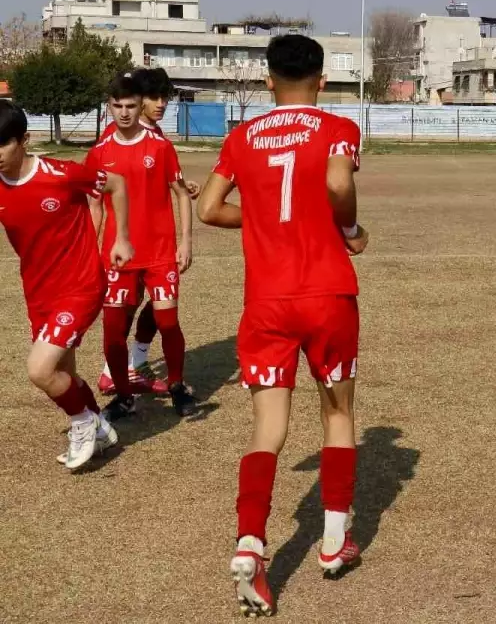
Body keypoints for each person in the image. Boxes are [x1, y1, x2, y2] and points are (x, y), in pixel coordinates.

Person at [197, 34, 369, 617]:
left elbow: (207, 209)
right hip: (325, 293)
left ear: (268, 80)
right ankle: (332, 541)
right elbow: (339, 184)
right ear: (322, 80)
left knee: (267, 429)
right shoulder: (337, 127)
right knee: (338, 412)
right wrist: (346, 229)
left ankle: (250, 543)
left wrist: (263, 217)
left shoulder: (242, 136)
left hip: (266, 302)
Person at [0, 101, 134, 470]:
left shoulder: (61, 174)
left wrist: (121, 238)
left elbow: (118, 184)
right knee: (65, 375)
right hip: (38, 291)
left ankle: (82, 422)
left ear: (24, 140)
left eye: (2, 144)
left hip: (81, 285)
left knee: (40, 370)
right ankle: (101, 428)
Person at [86, 72, 195, 420]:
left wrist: (185, 241)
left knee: (168, 320)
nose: (125, 112)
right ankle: (122, 392)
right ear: (111, 107)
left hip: (160, 252)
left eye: (131, 105)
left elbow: (176, 189)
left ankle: (177, 387)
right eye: (118, 106)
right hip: (119, 257)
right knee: (114, 329)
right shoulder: (100, 151)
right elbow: (95, 206)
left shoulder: (160, 144)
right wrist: (91, 252)